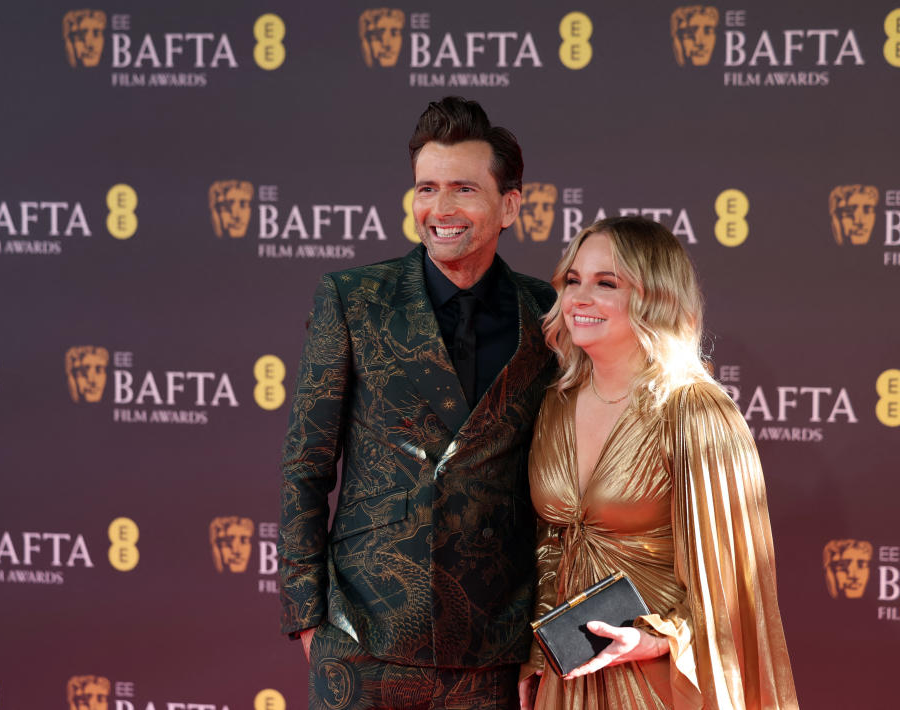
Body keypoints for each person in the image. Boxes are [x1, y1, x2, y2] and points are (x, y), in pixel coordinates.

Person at [278, 96, 557, 709]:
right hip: (361, 639)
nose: (440, 209)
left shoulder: (547, 315)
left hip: (492, 648)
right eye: (425, 188)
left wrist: (543, 637)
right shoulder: (352, 299)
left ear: (510, 205)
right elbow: (307, 464)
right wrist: (306, 614)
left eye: (463, 189)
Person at [520, 216, 798, 709]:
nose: (579, 298)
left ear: (657, 298)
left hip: (662, 679)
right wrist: (541, 654)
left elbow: (734, 587)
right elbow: (552, 543)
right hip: (573, 674)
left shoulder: (695, 411)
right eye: (572, 280)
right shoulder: (557, 403)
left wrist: (656, 638)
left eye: (607, 283)